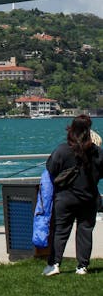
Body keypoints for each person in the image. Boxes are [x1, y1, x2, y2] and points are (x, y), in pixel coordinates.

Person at [43, 115, 103, 276]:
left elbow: (51, 168)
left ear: (71, 129)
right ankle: (82, 266)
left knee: (60, 231)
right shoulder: (97, 152)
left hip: (65, 197)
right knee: (85, 231)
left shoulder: (62, 150)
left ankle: (54, 264)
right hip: (89, 197)